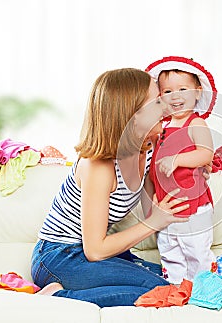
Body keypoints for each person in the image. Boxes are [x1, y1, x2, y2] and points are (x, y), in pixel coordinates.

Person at [31, 68, 193, 308]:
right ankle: (55, 297)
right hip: (59, 257)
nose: (166, 106)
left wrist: (195, 170)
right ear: (132, 115)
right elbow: (95, 250)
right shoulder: (98, 167)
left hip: (101, 255)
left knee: (180, 279)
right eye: (157, 101)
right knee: (163, 292)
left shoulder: (147, 146)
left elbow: (161, 191)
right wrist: (154, 222)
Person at [145, 56, 218, 284]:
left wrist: (176, 159)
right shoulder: (161, 128)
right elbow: (154, 167)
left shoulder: (196, 123)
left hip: (194, 206)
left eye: (182, 89)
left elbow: (206, 154)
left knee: (196, 250)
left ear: (197, 92)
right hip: (167, 205)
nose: (175, 96)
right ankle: (176, 287)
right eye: (167, 91)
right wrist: (154, 196)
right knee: (169, 249)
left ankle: (203, 286)